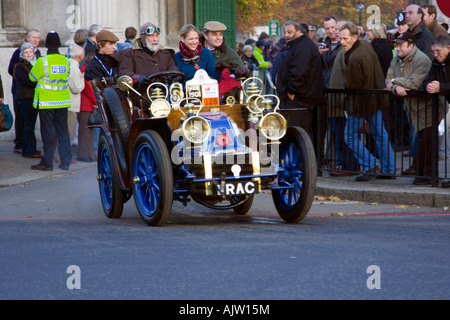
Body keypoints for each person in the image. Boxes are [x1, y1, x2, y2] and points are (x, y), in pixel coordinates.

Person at [339, 22, 395, 181]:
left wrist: (345, 85)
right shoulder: (364, 45)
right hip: (375, 99)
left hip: (361, 103)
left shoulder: (356, 56)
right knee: (380, 135)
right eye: (340, 38)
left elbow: (354, 85)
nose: (342, 42)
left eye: (345, 38)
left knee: (349, 136)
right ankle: (389, 169)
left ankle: (370, 164)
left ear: (354, 37)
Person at [386, 31, 438, 185]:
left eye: (401, 45)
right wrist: (396, 87)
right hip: (412, 108)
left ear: (411, 45)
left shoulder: (421, 59)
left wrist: (395, 81)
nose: (398, 48)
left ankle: (427, 176)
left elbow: (414, 83)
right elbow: (387, 80)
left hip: (427, 108)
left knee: (425, 142)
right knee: (421, 142)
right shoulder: (396, 59)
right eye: (397, 44)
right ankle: (422, 174)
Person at [276, 20, 326, 154]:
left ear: (299, 32)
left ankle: (303, 167)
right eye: (285, 32)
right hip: (300, 97)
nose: (286, 35)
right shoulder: (300, 46)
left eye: (289, 32)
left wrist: (292, 91)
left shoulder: (302, 47)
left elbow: (298, 71)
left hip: (300, 98)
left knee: (299, 133)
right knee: (299, 132)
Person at [29, 31, 72, 171]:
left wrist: (35, 63)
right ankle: (65, 162)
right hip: (62, 101)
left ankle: (47, 162)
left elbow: (32, 78)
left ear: (46, 45)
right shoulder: (66, 60)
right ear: (59, 45)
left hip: (47, 101)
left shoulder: (43, 61)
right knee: (63, 131)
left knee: (47, 132)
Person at [116, 22, 176, 112]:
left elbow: (173, 67)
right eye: (151, 36)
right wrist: (138, 78)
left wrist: (174, 72)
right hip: (142, 96)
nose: (155, 39)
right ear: (143, 38)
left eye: (156, 36)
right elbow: (124, 73)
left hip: (166, 93)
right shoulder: (131, 54)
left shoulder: (165, 54)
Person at [8, 29, 41, 154]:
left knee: (29, 121)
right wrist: (26, 77)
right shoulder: (19, 53)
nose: (35, 40)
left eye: (37, 38)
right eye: (33, 37)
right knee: (22, 119)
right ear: (27, 39)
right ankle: (20, 144)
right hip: (20, 91)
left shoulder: (38, 54)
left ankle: (27, 146)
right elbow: (12, 69)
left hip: (34, 93)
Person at [424, 34, 450, 187]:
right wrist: (429, 86)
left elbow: (442, 85)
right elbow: (429, 79)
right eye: (433, 51)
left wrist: (441, 87)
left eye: (438, 51)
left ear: (448, 48)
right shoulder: (436, 63)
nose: (435, 54)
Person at [201, 21, 248, 100]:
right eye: (214, 35)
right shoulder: (197, 51)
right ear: (206, 36)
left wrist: (243, 70)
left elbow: (242, 70)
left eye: (220, 34)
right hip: (198, 93)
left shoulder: (228, 52)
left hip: (224, 97)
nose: (219, 38)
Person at [12, 42, 39, 158]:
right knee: (28, 124)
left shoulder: (36, 63)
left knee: (30, 124)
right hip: (25, 98)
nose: (28, 54)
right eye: (26, 52)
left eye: (30, 52)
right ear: (22, 53)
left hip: (33, 97)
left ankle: (28, 149)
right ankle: (29, 150)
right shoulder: (19, 65)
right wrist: (38, 82)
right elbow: (26, 81)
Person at [77, 54, 97, 162]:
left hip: (88, 105)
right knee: (85, 130)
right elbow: (88, 89)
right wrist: (96, 101)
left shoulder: (86, 70)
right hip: (85, 105)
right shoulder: (85, 71)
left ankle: (89, 153)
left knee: (90, 130)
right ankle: (83, 154)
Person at [67, 45, 85, 150]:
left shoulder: (68, 63)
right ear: (81, 56)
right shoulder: (74, 67)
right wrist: (82, 78)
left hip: (66, 102)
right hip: (71, 103)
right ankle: (64, 155)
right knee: (68, 130)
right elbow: (76, 88)